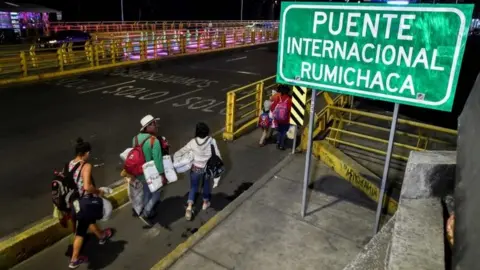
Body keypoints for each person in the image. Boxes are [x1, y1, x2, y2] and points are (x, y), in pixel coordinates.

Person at [68, 138, 113, 269]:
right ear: (85, 153)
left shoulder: (70, 164)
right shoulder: (86, 166)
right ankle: (74, 259)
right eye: (89, 153)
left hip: (74, 202)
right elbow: (87, 186)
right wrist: (98, 191)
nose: (90, 155)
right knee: (81, 230)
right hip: (84, 202)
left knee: (86, 222)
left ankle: (101, 236)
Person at [178, 122, 222, 221]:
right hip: (206, 169)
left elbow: (183, 150)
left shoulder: (193, 142)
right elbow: (218, 155)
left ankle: (189, 206)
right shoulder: (211, 141)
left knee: (193, 187)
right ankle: (205, 203)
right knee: (206, 185)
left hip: (195, 169)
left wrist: (177, 157)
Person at [132, 114, 166, 227]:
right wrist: (162, 175)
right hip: (150, 173)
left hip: (139, 172)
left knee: (146, 191)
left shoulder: (135, 138)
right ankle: (146, 212)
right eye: (154, 124)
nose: (156, 126)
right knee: (156, 194)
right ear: (148, 127)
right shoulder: (153, 141)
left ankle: (148, 210)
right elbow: (158, 160)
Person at [271, 85, 292, 150]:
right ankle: (281, 145)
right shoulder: (289, 99)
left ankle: (277, 142)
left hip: (277, 119)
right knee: (284, 132)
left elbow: (272, 108)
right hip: (286, 119)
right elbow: (290, 110)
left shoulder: (278, 98)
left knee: (279, 131)